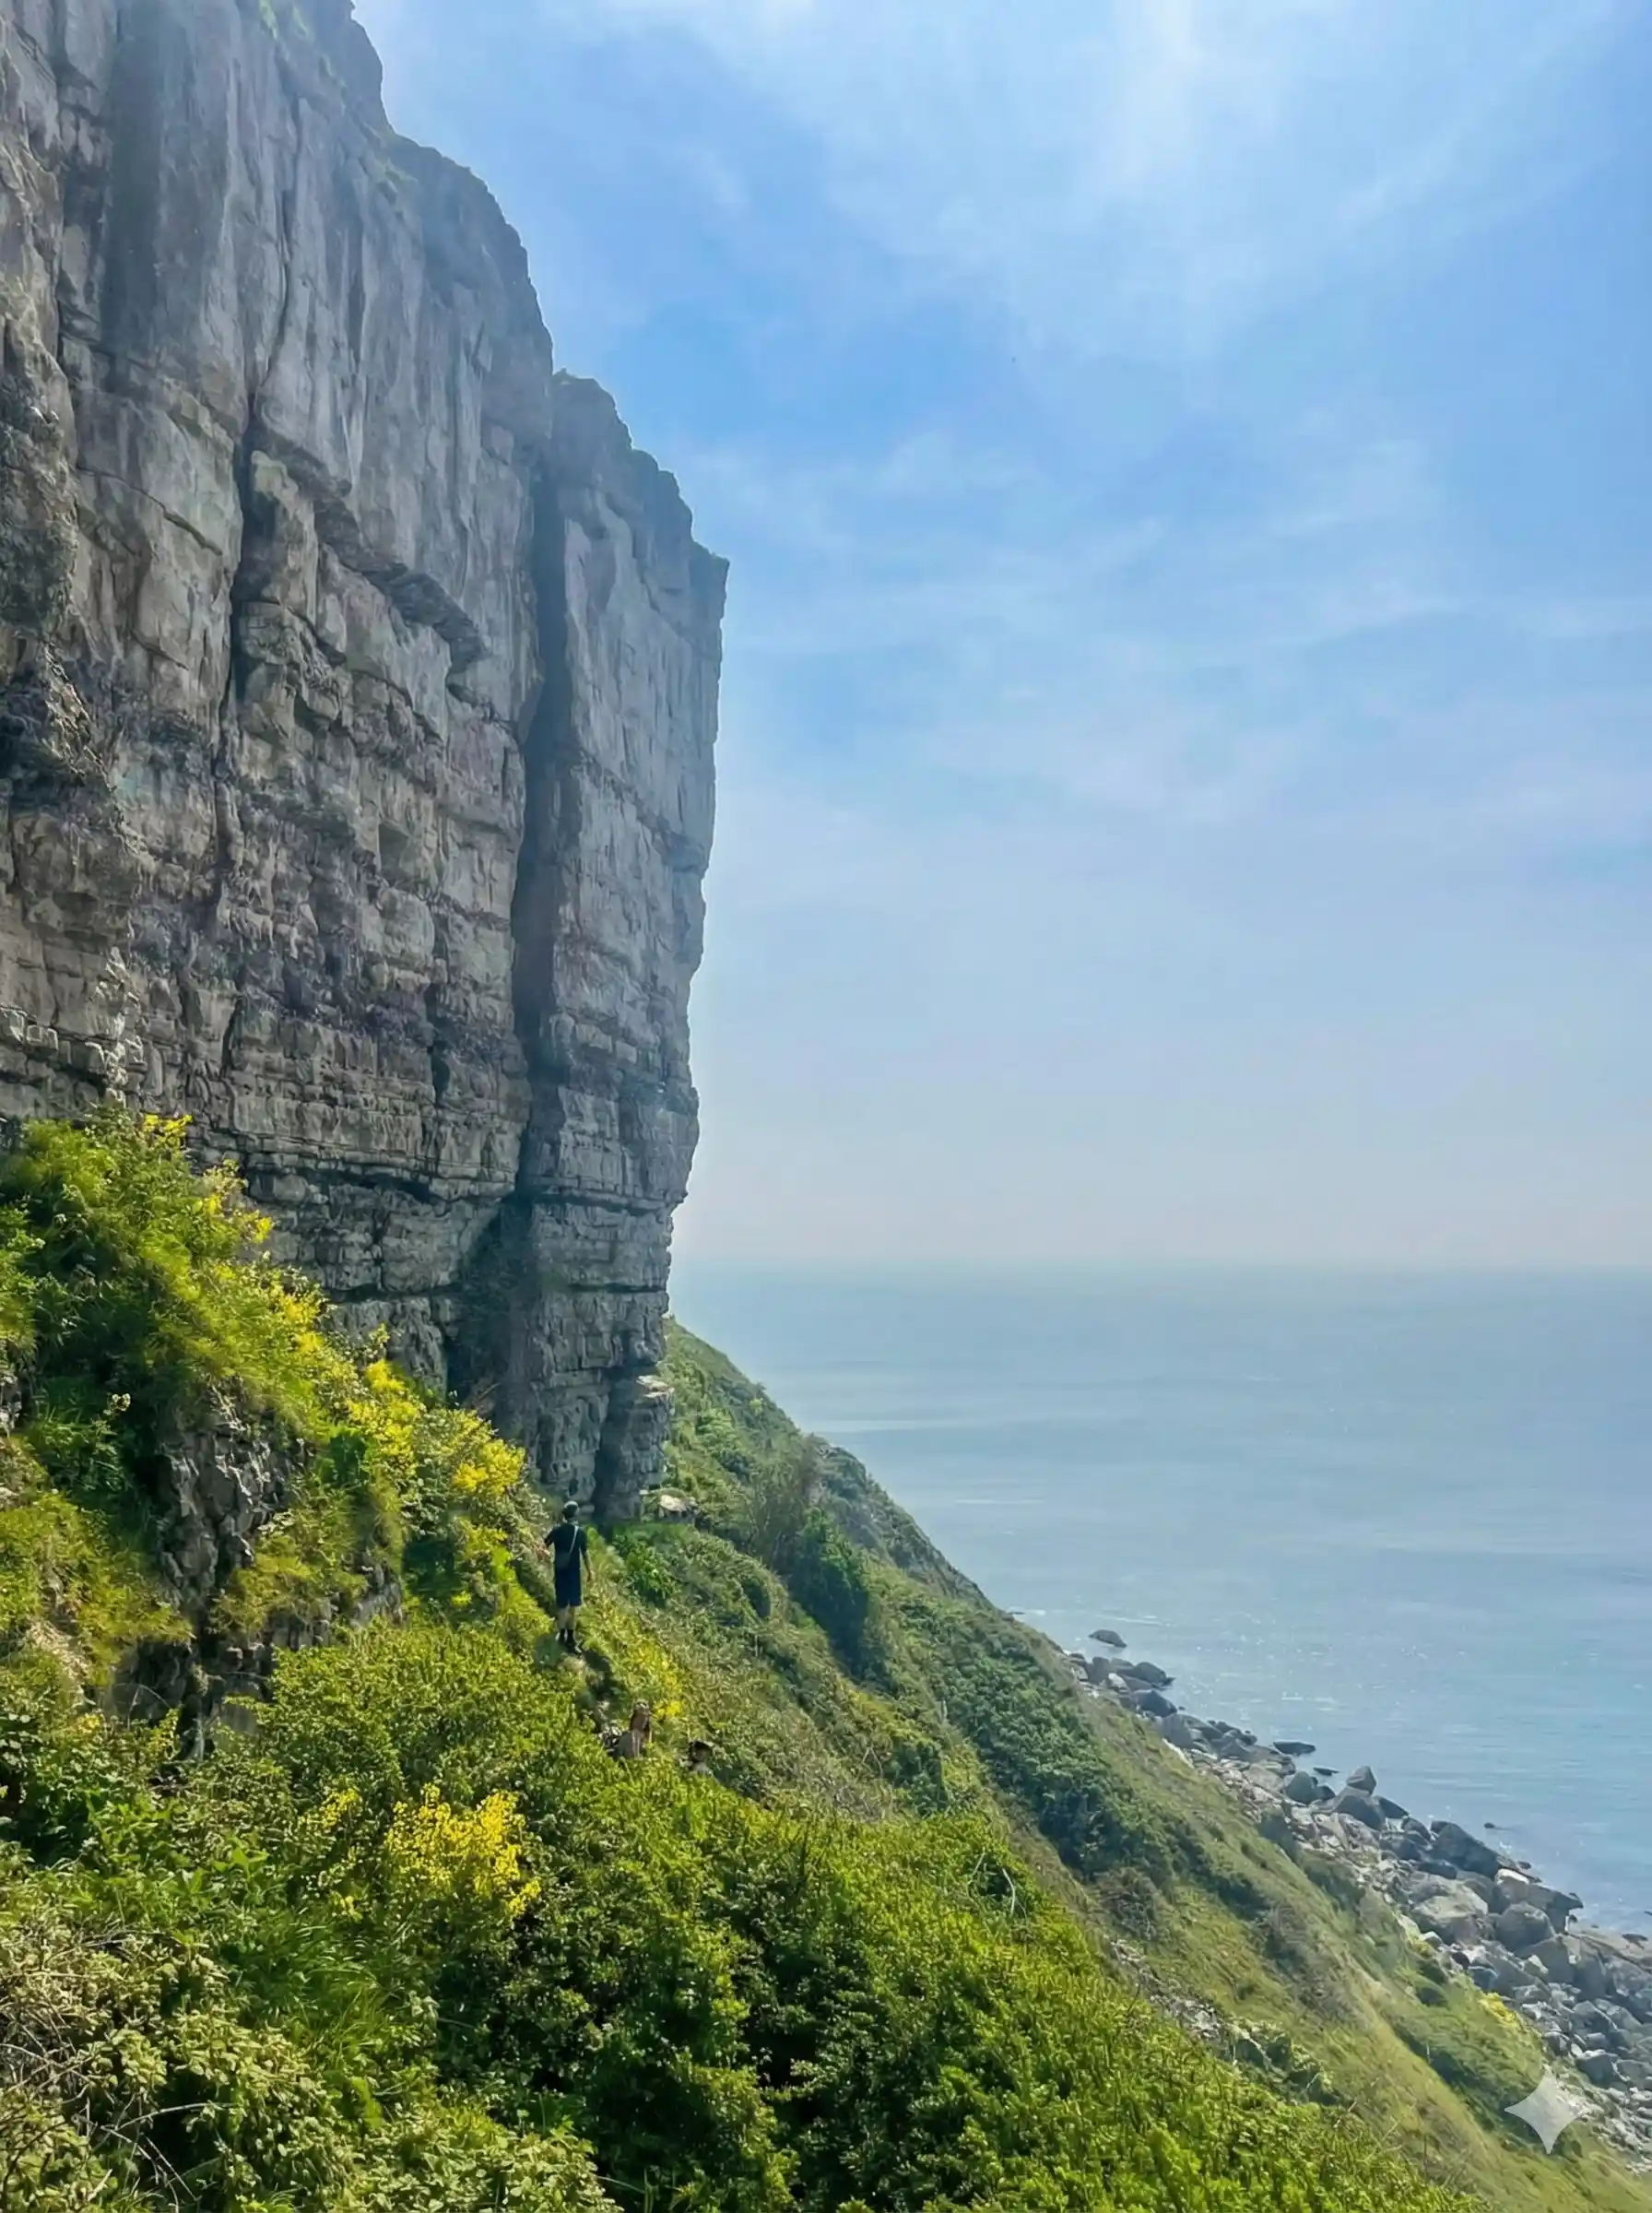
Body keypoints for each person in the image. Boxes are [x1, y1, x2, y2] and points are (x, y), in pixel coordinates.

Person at [548, 1498, 590, 1651]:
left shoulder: (557, 1530)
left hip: (559, 1572)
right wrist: (590, 1573)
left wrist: (545, 1557)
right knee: (573, 1607)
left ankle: (561, 1634)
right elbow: (585, 1554)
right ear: (576, 1514)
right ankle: (571, 1639)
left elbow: (542, 1545)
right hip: (574, 1574)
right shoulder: (580, 1533)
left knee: (561, 1605)